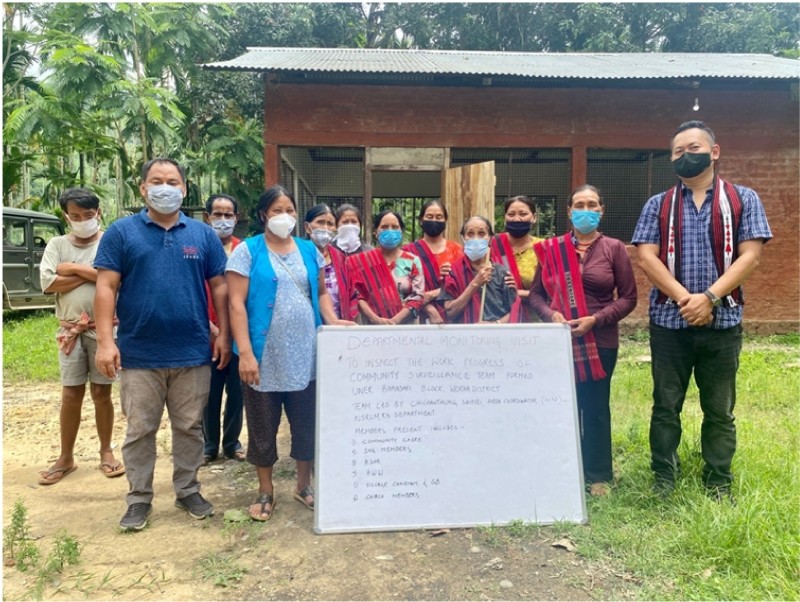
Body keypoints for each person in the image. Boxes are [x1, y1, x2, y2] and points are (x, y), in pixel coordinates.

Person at [632, 120, 772, 500]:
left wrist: (708, 298)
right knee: (665, 405)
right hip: (669, 322)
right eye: (677, 151)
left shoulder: (744, 199)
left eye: (692, 147)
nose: (684, 155)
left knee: (720, 408)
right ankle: (663, 477)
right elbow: (646, 257)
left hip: (723, 322)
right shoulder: (658, 205)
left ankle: (718, 480)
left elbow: (751, 255)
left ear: (714, 151)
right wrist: (686, 299)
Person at [94, 158, 230, 531]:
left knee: (189, 427)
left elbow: (219, 287)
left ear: (184, 190)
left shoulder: (202, 235)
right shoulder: (121, 233)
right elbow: (105, 286)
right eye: (157, 181)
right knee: (140, 429)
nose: (165, 188)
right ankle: (138, 499)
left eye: (173, 182)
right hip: (140, 353)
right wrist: (106, 342)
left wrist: (225, 334)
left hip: (192, 352)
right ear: (143, 188)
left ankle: (188, 490)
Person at [228, 186, 353, 522]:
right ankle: (266, 491)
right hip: (263, 356)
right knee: (262, 425)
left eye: (290, 210)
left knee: (306, 422)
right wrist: (246, 354)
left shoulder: (310, 249)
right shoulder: (248, 251)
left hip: (306, 354)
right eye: (277, 210)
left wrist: (332, 320)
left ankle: (303, 485)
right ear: (263, 215)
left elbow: (323, 293)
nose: (285, 216)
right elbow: (236, 303)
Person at [529, 186, 637, 496]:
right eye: (579, 205)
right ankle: (560, 468)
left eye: (592, 205)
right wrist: (550, 315)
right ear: (569, 211)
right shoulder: (552, 250)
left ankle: (598, 474)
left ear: (601, 210)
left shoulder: (614, 248)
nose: (585, 210)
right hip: (558, 341)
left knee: (595, 407)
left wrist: (596, 319)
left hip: (600, 339)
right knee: (560, 406)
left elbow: (629, 297)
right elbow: (536, 294)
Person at [37, 188, 124, 485]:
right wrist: (96, 273)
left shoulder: (110, 240)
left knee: (103, 393)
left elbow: (116, 279)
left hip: (105, 331)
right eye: (75, 216)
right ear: (66, 216)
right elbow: (48, 283)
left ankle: (106, 451)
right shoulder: (57, 244)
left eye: (88, 215)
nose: (83, 220)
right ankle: (66, 457)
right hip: (70, 331)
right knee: (70, 394)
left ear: (98, 213)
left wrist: (73, 268)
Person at [202, 194, 245, 464]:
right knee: (209, 392)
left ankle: (232, 443)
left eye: (228, 215)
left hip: (239, 335)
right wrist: (214, 331)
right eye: (217, 214)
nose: (223, 220)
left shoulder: (245, 250)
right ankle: (209, 446)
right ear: (208, 217)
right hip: (206, 334)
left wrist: (231, 334)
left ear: (236, 218)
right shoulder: (198, 248)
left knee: (237, 392)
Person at [347, 210, 425, 325]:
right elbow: (357, 294)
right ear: (376, 232)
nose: (390, 231)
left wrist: (394, 321)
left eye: (395, 227)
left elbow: (417, 297)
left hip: (406, 330)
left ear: (401, 232)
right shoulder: (363, 262)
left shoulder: (412, 261)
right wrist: (375, 319)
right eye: (384, 227)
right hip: (372, 329)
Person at [441, 216, 517, 324]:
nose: (476, 239)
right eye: (470, 234)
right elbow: (450, 312)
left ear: (490, 238)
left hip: (497, 336)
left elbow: (514, 311)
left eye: (481, 234)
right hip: (463, 337)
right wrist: (475, 283)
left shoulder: (502, 273)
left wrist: (495, 324)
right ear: (463, 237)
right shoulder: (452, 272)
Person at [403, 199, 464, 324]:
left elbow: (464, 285)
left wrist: (437, 292)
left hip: (453, 316)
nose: (434, 220)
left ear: (445, 220)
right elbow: (404, 290)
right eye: (429, 216)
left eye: (439, 217)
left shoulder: (457, 250)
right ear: (421, 220)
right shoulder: (408, 252)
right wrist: (430, 309)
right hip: (418, 318)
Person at [490, 195, 544, 322]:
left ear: (534, 217)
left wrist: (517, 293)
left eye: (523, 214)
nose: (517, 219)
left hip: (533, 322)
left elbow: (552, 292)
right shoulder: (492, 245)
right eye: (511, 214)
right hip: (495, 320)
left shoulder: (544, 249)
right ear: (505, 218)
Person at [305, 203, 354, 320]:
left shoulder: (341, 258)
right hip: (306, 324)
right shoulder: (299, 254)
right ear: (307, 227)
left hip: (336, 326)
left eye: (330, 224)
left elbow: (351, 294)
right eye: (320, 222)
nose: (325, 228)